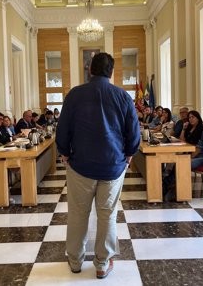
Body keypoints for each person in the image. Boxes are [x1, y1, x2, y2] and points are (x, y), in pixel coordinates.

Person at [56, 52, 140, 279]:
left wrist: (64, 152)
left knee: (77, 214)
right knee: (107, 215)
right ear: (111, 72)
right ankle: (102, 264)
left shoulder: (74, 95)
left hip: (80, 165)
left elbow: (62, 128)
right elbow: (133, 132)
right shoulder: (122, 96)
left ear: (90, 70)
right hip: (113, 166)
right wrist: (130, 153)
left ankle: (75, 261)